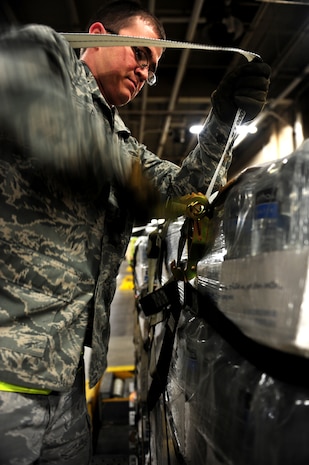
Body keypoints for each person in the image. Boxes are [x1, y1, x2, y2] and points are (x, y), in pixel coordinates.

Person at [0, 0, 270, 463]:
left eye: (153, 69)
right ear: (99, 34)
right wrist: (129, 181)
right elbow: (28, 98)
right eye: (139, 54)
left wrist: (224, 122)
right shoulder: (46, 56)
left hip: (65, 381)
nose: (145, 73)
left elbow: (184, 193)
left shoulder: (121, 140)